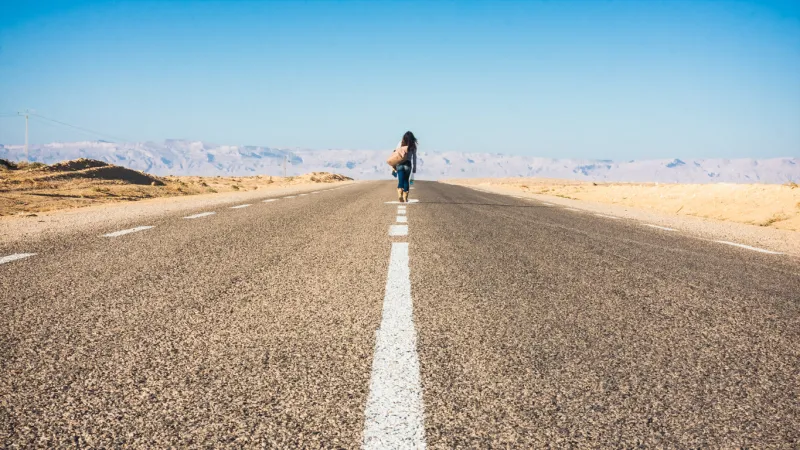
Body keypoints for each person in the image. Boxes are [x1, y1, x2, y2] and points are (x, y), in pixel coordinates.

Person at [393, 131, 417, 202]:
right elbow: (414, 157)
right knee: (406, 180)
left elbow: (395, 152)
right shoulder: (413, 145)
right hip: (408, 165)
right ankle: (405, 197)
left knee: (400, 180)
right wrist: (414, 167)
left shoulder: (400, 143)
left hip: (400, 164)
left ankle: (400, 193)